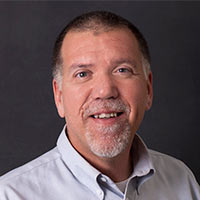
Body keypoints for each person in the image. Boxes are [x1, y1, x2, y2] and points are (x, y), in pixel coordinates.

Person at [0, 11, 199, 200]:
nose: (105, 91)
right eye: (83, 74)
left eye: (122, 70)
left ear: (148, 89)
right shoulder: (11, 195)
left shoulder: (182, 181)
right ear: (59, 96)